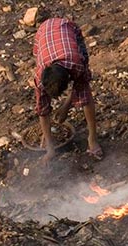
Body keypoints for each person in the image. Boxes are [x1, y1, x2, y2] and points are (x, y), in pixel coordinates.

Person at [34, 16, 101, 162]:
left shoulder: (76, 64)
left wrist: (66, 106)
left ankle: (93, 139)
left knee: (84, 94)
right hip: (43, 33)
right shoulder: (39, 79)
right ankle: (48, 142)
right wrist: (50, 149)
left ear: (68, 78)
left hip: (67, 28)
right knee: (43, 106)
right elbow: (43, 110)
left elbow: (81, 88)